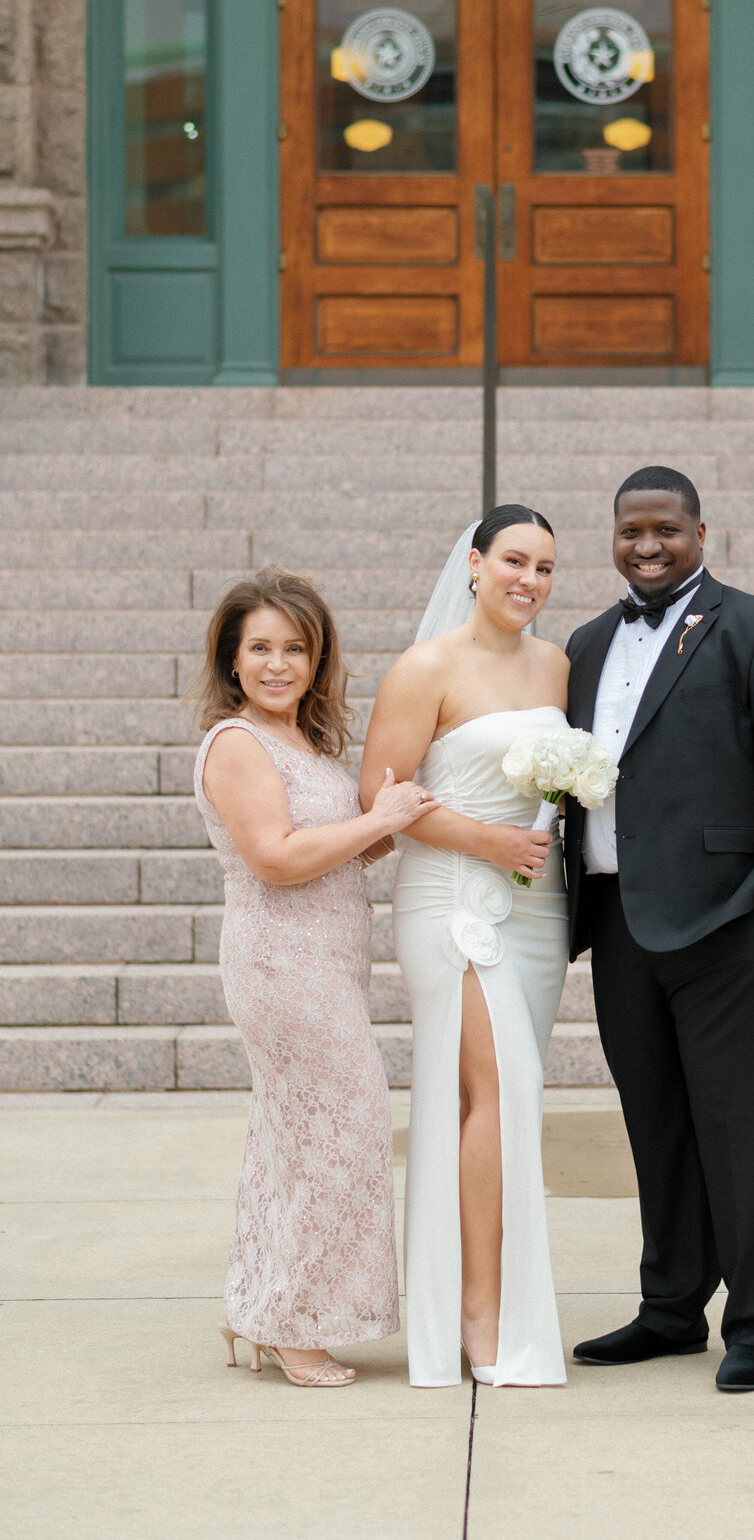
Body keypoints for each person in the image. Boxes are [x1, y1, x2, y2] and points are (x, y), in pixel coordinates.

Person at [564, 466, 754, 1393]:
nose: (647, 546)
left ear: (700, 531)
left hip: (735, 926)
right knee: (658, 1127)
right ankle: (672, 1307)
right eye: (630, 531)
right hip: (619, 921)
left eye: (665, 531)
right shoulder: (589, 642)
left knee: (744, 1132)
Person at [192, 566, 433, 1388]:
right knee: (345, 1128)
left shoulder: (306, 743)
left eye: (295, 647)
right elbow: (276, 857)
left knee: (293, 1137)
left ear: (317, 657)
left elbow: (347, 846)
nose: (277, 663)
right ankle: (297, 1324)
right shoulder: (236, 743)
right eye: (259, 647)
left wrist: (401, 820)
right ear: (231, 660)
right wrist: (378, 819)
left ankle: (257, 1308)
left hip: (323, 960)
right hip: (279, 960)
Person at [360, 507, 570, 1389]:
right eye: (514, 560)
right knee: (504, 1089)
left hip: (537, 910)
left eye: (547, 567)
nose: (529, 579)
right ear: (475, 564)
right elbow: (382, 806)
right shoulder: (426, 667)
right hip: (455, 901)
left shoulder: (556, 663)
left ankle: (462, 1297)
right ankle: (482, 1311)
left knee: (484, 1101)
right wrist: (488, 843)